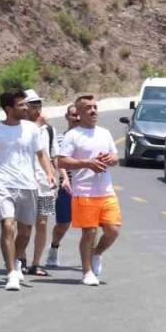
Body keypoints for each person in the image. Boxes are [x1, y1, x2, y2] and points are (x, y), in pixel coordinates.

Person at [0, 89, 57, 291]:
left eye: (27, 104)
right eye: (21, 105)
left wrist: (49, 174)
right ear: (8, 108)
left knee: (25, 232)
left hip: (29, 185)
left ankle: (19, 260)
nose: (26, 108)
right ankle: (11, 272)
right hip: (2, 184)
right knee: (8, 226)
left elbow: (41, 154)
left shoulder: (32, 129)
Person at [56, 94, 121, 286]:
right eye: (88, 108)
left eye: (95, 107)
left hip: (106, 190)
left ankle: (97, 252)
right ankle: (87, 272)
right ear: (79, 112)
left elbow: (115, 156)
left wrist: (111, 159)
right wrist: (87, 163)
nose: (93, 111)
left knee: (113, 230)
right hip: (84, 190)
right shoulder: (72, 135)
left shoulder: (105, 132)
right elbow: (61, 160)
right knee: (89, 232)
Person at [22, 89, 58, 277]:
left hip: (44, 185)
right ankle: (20, 260)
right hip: (25, 183)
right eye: (32, 105)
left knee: (42, 222)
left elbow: (52, 157)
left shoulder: (49, 129)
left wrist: (56, 180)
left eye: (39, 105)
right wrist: (35, 125)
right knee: (24, 224)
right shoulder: (19, 128)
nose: (37, 109)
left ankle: (36, 263)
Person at [46, 103, 80, 269]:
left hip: (88, 188)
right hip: (66, 188)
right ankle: (54, 248)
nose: (77, 118)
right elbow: (57, 161)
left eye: (79, 115)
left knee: (91, 225)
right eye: (73, 115)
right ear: (67, 117)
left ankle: (92, 257)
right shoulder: (60, 139)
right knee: (63, 224)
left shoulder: (91, 138)